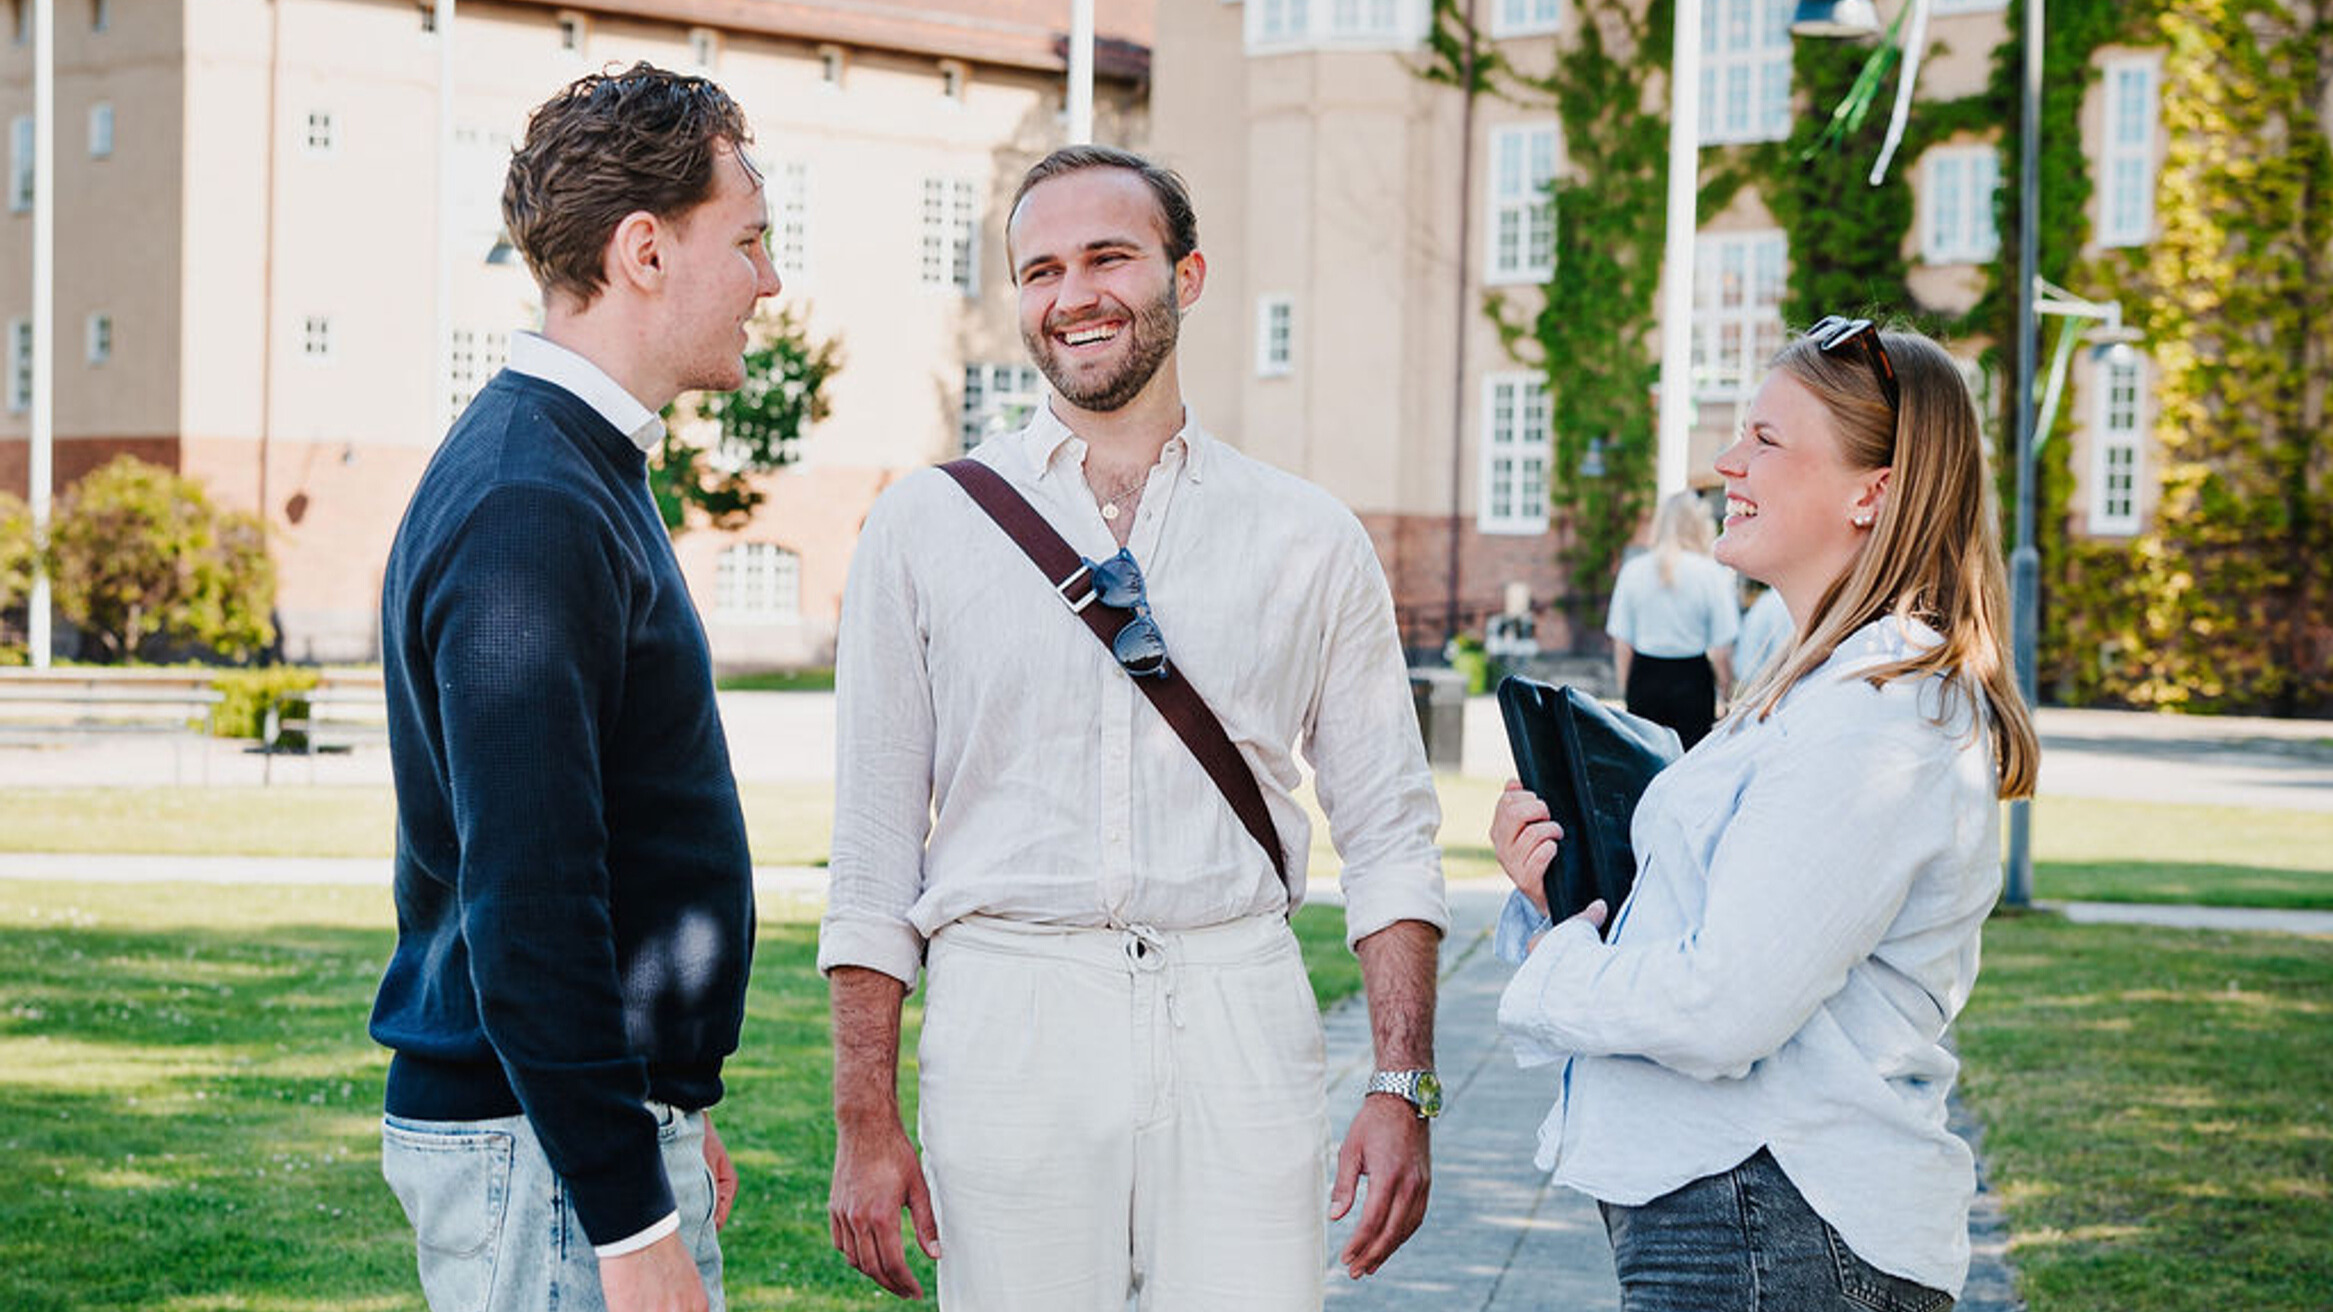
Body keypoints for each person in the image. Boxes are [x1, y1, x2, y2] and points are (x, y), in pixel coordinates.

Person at [821, 145, 1449, 1311]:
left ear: (1187, 273)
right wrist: (865, 1119)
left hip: (1235, 1008)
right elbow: (869, 855)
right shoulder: (921, 526)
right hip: (1009, 1009)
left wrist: (1399, 1080)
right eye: (1040, 269)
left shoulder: (1305, 534)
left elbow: (1393, 833)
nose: (1073, 295)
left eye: (1109, 256)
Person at [1488, 317, 2040, 1310]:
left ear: (1871, 491)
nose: (1722, 460)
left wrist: (1547, 971)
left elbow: (1723, 1005)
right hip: (1744, 1222)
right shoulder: (1813, 687)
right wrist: (1552, 893)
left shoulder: (1879, 716)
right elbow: (1714, 932)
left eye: (1765, 440)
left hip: (1772, 1227)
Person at [369, 63, 782, 1312]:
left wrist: (667, 1105)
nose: (769, 279)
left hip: (569, 1139)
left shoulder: (572, 468)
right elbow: (528, 896)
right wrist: (625, 1211)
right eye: (751, 240)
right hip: (538, 1157)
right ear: (645, 250)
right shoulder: (529, 504)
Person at [1603, 491, 1739, 748]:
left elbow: (1622, 644)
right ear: (1699, 525)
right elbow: (1722, 650)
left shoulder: (1633, 571)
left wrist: (1627, 690)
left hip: (1644, 678)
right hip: (1693, 680)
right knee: (1690, 763)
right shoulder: (1711, 574)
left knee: (1645, 764)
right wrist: (1726, 693)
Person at [1732, 581, 1792, 695]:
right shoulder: (1786, 603)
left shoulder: (1766, 602)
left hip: (1759, 687)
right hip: (1774, 689)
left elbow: (1744, 665)